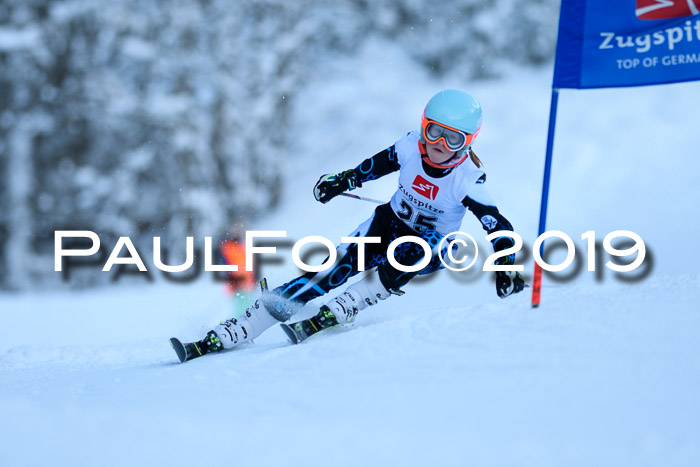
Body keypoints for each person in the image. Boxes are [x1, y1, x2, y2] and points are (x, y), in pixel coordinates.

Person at [197, 89, 526, 353]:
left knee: (412, 251)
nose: (440, 144)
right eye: (434, 132)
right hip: (387, 223)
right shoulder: (411, 145)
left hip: (433, 246)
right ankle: (247, 324)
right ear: (424, 126)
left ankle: (350, 303)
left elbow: (498, 226)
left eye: (452, 139)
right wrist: (340, 181)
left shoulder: (467, 179)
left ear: (468, 141)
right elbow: (371, 168)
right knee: (329, 271)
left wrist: (505, 265)